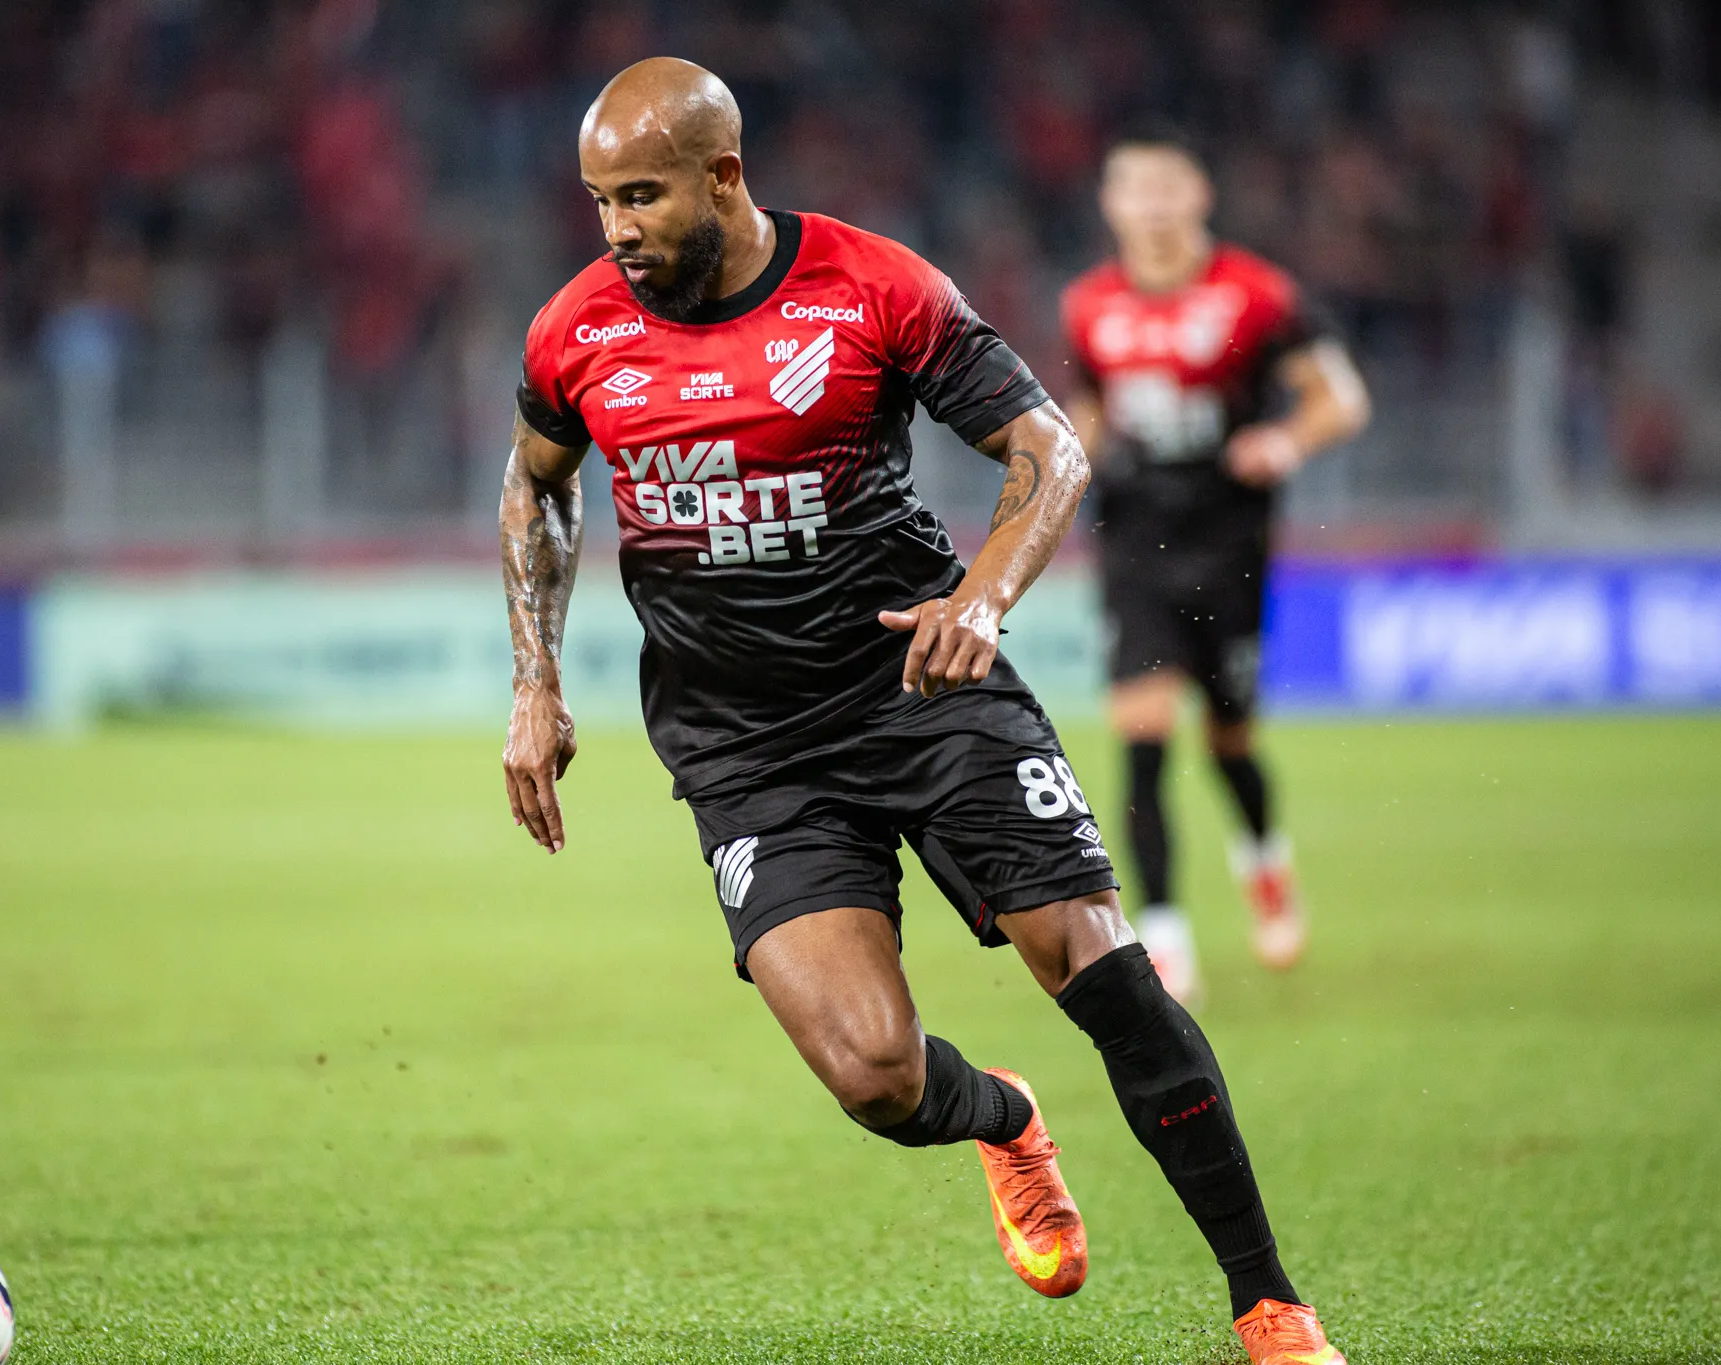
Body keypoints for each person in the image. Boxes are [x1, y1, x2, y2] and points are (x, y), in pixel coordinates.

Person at [500, 60, 1346, 1364]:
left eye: (642, 197)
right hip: (746, 747)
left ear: (723, 176)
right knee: (875, 1079)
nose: (616, 228)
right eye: (600, 200)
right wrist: (535, 679)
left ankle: (1269, 1304)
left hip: (922, 685)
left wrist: (984, 599)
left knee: (1102, 966)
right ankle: (1005, 1118)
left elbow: (1048, 447)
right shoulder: (576, 331)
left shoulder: (873, 288)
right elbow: (537, 487)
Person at [1059, 124, 1372, 1003]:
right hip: (1135, 537)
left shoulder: (1258, 294)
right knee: (1142, 738)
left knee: (1229, 741)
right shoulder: (1088, 304)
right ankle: (1163, 936)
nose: (1154, 208)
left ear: (1200, 197)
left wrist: (1286, 440)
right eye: (1137, 190)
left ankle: (1264, 857)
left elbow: (1341, 399)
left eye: (1170, 189)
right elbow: (1088, 410)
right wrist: (1056, 470)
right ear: (1112, 204)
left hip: (1230, 537)